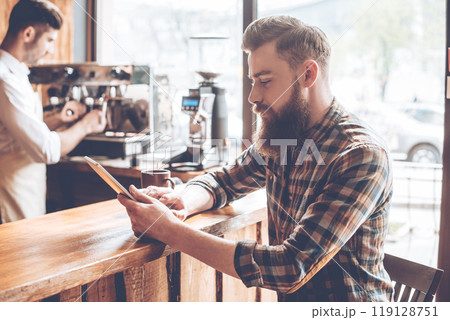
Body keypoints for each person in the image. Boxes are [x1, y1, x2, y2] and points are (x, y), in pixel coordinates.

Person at [117, 16, 394, 301]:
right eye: (252, 81)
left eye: (264, 81)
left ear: (308, 75)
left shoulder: (361, 155)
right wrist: (182, 201)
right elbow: (222, 181)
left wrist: (168, 230)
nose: (252, 96)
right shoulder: (285, 134)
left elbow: (290, 267)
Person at [0, 0, 106, 223]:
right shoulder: (5, 80)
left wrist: (56, 119)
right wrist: (86, 125)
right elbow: (46, 150)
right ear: (28, 33)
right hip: (9, 203)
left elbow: (13, 134)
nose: (50, 49)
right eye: (49, 40)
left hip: (24, 196)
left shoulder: (15, 73)